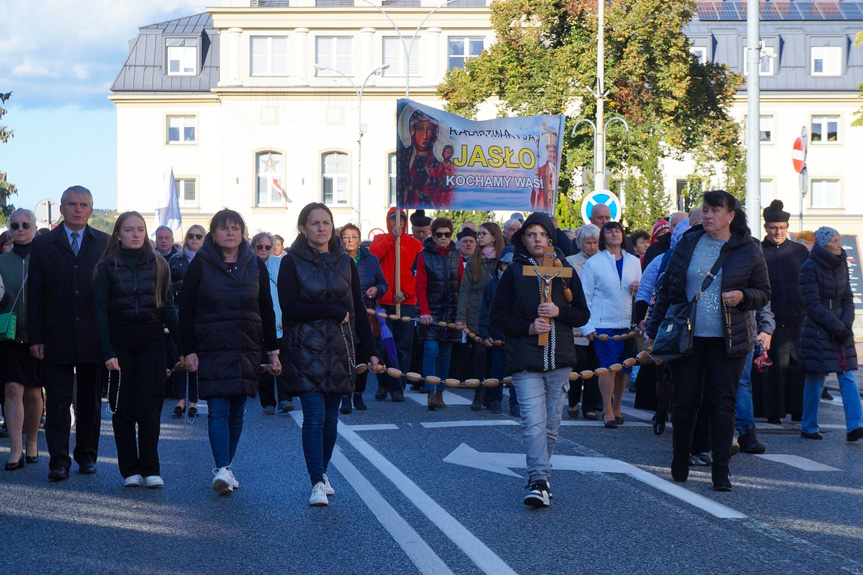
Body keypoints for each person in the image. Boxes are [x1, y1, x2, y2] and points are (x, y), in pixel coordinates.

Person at [645, 190, 770, 492]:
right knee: (685, 401)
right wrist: (652, 331)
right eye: (705, 209)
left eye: (715, 210)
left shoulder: (749, 248)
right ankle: (680, 456)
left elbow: (764, 292)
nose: (708, 215)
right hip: (688, 337)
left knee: (722, 404)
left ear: (731, 216)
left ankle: (721, 470)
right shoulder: (688, 241)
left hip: (729, 340)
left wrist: (743, 297)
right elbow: (668, 289)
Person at [279, 203, 380, 506]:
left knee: (332, 420)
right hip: (305, 348)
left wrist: (372, 350)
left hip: (339, 348)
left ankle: (322, 472)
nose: (321, 228)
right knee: (314, 416)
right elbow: (290, 307)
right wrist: (332, 311)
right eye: (314, 223)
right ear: (303, 229)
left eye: (326, 222)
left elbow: (357, 309)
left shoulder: (345, 262)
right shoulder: (291, 262)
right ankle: (315, 481)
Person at [490, 212, 590, 507]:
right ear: (523, 239)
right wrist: (528, 327)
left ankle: (541, 477)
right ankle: (538, 480)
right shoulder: (514, 272)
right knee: (533, 423)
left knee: (551, 425)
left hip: (559, 359)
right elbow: (497, 317)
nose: (537, 239)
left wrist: (560, 313)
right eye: (530, 234)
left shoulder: (565, 270)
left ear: (550, 238)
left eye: (542, 234)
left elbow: (582, 313)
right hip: (525, 361)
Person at [178, 209, 280, 495]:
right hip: (211, 345)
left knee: (237, 411)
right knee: (218, 409)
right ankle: (221, 467)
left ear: (242, 232)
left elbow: (266, 309)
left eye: (236, 228)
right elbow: (185, 310)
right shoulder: (201, 263)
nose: (230, 233)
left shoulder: (254, 264)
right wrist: (188, 350)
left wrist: (272, 350)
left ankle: (228, 467)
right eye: (224, 228)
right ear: (214, 233)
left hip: (247, 346)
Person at [28, 185, 110, 481]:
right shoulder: (44, 244)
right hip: (56, 334)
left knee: (89, 402)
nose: (78, 209)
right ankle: (59, 462)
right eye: (72, 204)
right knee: (59, 402)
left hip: (93, 335)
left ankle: (87, 456)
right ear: (61, 208)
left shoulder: (104, 243)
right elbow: (35, 294)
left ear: (91, 209)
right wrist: (36, 337)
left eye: (84, 204)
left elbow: (110, 293)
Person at [95, 212, 178, 488]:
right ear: (118, 234)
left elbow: (167, 309)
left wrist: (186, 347)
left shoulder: (159, 264)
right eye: (129, 230)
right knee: (122, 408)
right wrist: (107, 351)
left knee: (149, 407)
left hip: (152, 341)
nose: (135, 234)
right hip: (119, 342)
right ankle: (129, 469)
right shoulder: (106, 267)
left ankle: (151, 468)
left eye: (140, 229)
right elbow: (100, 313)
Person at [798, 227, 863, 443]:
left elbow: (847, 297)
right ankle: (808, 426)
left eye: (840, 240)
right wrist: (836, 326)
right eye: (835, 240)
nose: (839, 244)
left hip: (840, 326)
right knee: (816, 377)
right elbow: (811, 304)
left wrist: (846, 324)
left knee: (848, 375)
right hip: (818, 327)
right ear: (825, 243)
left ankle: (856, 425)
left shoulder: (842, 263)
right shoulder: (810, 266)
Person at [752, 200, 809, 424]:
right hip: (769, 321)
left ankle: (797, 410)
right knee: (770, 368)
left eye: (782, 228)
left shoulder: (799, 251)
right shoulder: (758, 251)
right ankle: (772, 412)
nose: (778, 232)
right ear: (766, 227)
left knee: (797, 367)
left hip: (798, 317)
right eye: (774, 227)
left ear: (787, 227)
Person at [580, 221, 642, 428]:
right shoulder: (594, 262)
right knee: (608, 367)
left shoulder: (634, 261)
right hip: (602, 322)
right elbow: (585, 297)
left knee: (624, 368)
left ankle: (617, 407)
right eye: (609, 230)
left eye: (618, 230)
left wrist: (636, 288)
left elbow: (640, 293)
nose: (614, 233)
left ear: (623, 235)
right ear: (603, 236)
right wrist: (587, 327)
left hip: (627, 322)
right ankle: (606, 408)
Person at [0, 209, 41, 470]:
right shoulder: (2, 262)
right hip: (8, 335)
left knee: (34, 393)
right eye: (14, 225)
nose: (20, 229)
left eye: (26, 224)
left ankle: (33, 441)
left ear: (35, 227)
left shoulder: (45, 259)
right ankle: (15, 450)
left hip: (38, 336)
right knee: (12, 388)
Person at [369, 208, 422, 402]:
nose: (397, 223)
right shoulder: (380, 240)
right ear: (388, 221)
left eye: (401, 220)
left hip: (405, 303)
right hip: (383, 302)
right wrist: (391, 237)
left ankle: (398, 386)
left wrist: (405, 292)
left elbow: (418, 274)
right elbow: (374, 257)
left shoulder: (415, 244)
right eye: (393, 220)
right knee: (382, 346)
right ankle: (383, 384)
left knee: (402, 346)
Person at [339, 223, 387, 414]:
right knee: (344, 359)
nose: (350, 240)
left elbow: (383, 284)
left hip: (364, 314)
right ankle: (345, 398)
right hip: (342, 316)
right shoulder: (336, 259)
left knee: (362, 356)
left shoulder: (371, 260)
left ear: (360, 240)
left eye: (354, 236)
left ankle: (358, 395)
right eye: (346, 236)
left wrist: (377, 290)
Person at [456, 222, 504, 412]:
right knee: (480, 354)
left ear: (494, 236)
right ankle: (479, 392)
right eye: (480, 234)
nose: (480, 237)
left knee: (496, 356)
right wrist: (461, 317)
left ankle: (494, 397)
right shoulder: (474, 260)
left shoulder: (502, 259)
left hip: (497, 313)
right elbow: (465, 290)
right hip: (477, 313)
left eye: (484, 234)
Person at [417, 217, 463, 410]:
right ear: (432, 235)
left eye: (447, 234)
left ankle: (440, 392)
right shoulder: (423, 256)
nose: (443, 238)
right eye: (439, 234)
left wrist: (462, 315)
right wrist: (425, 312)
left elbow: (462, 286)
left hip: (451, 313)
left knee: (445, 356)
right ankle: (430, 392)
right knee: (431, 351)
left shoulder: (457, 255)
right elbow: (420, 287)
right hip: (432, 314)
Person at [168, 225, 205, 418]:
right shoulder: (175, 260)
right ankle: (180, 401)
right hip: (179, 311)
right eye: (191, 236)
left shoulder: (208, 260)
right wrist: (184, 285)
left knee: (196, 357)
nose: (195, 239)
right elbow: (166, 288)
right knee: (179, 356)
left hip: (201, 314)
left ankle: (193, 403)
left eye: (199, 236)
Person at [565, 224, 602, 420]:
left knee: (595, 366)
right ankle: (572, 401)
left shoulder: (605, 261)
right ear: (580, 243)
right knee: (577, 363)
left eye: (595, 242)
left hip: (599, 319)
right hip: (577, 321)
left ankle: (590, 405)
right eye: (588, 242)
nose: (592, 246)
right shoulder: (570, 262)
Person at [253, 232, 289, 416]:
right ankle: (267, 402)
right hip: (259, 322)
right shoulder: (250, 265)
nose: (264, 250)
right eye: (260, 246)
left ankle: (284, 398)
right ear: (253, 247)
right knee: (263, 363)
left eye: (268, 247)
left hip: (279, 320)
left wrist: (285, 316)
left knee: (282, 360)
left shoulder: (280, 264)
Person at [479, 247, 518, 415]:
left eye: (511, 265)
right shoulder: (492, 284)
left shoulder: (521, 284)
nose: (507, 268)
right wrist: (485, 333)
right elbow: (484, 311)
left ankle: (515, 403)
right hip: (497, 337)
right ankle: (495, 400)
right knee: (497, 372)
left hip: (516, 337)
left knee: (517, 375)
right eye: (504, 264)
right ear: (499, 265)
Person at [398, 109, 442, 207]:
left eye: (429, 129)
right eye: (420, 129)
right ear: (412, 130)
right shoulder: (404, 158)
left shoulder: (437, 160)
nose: (425, 136)